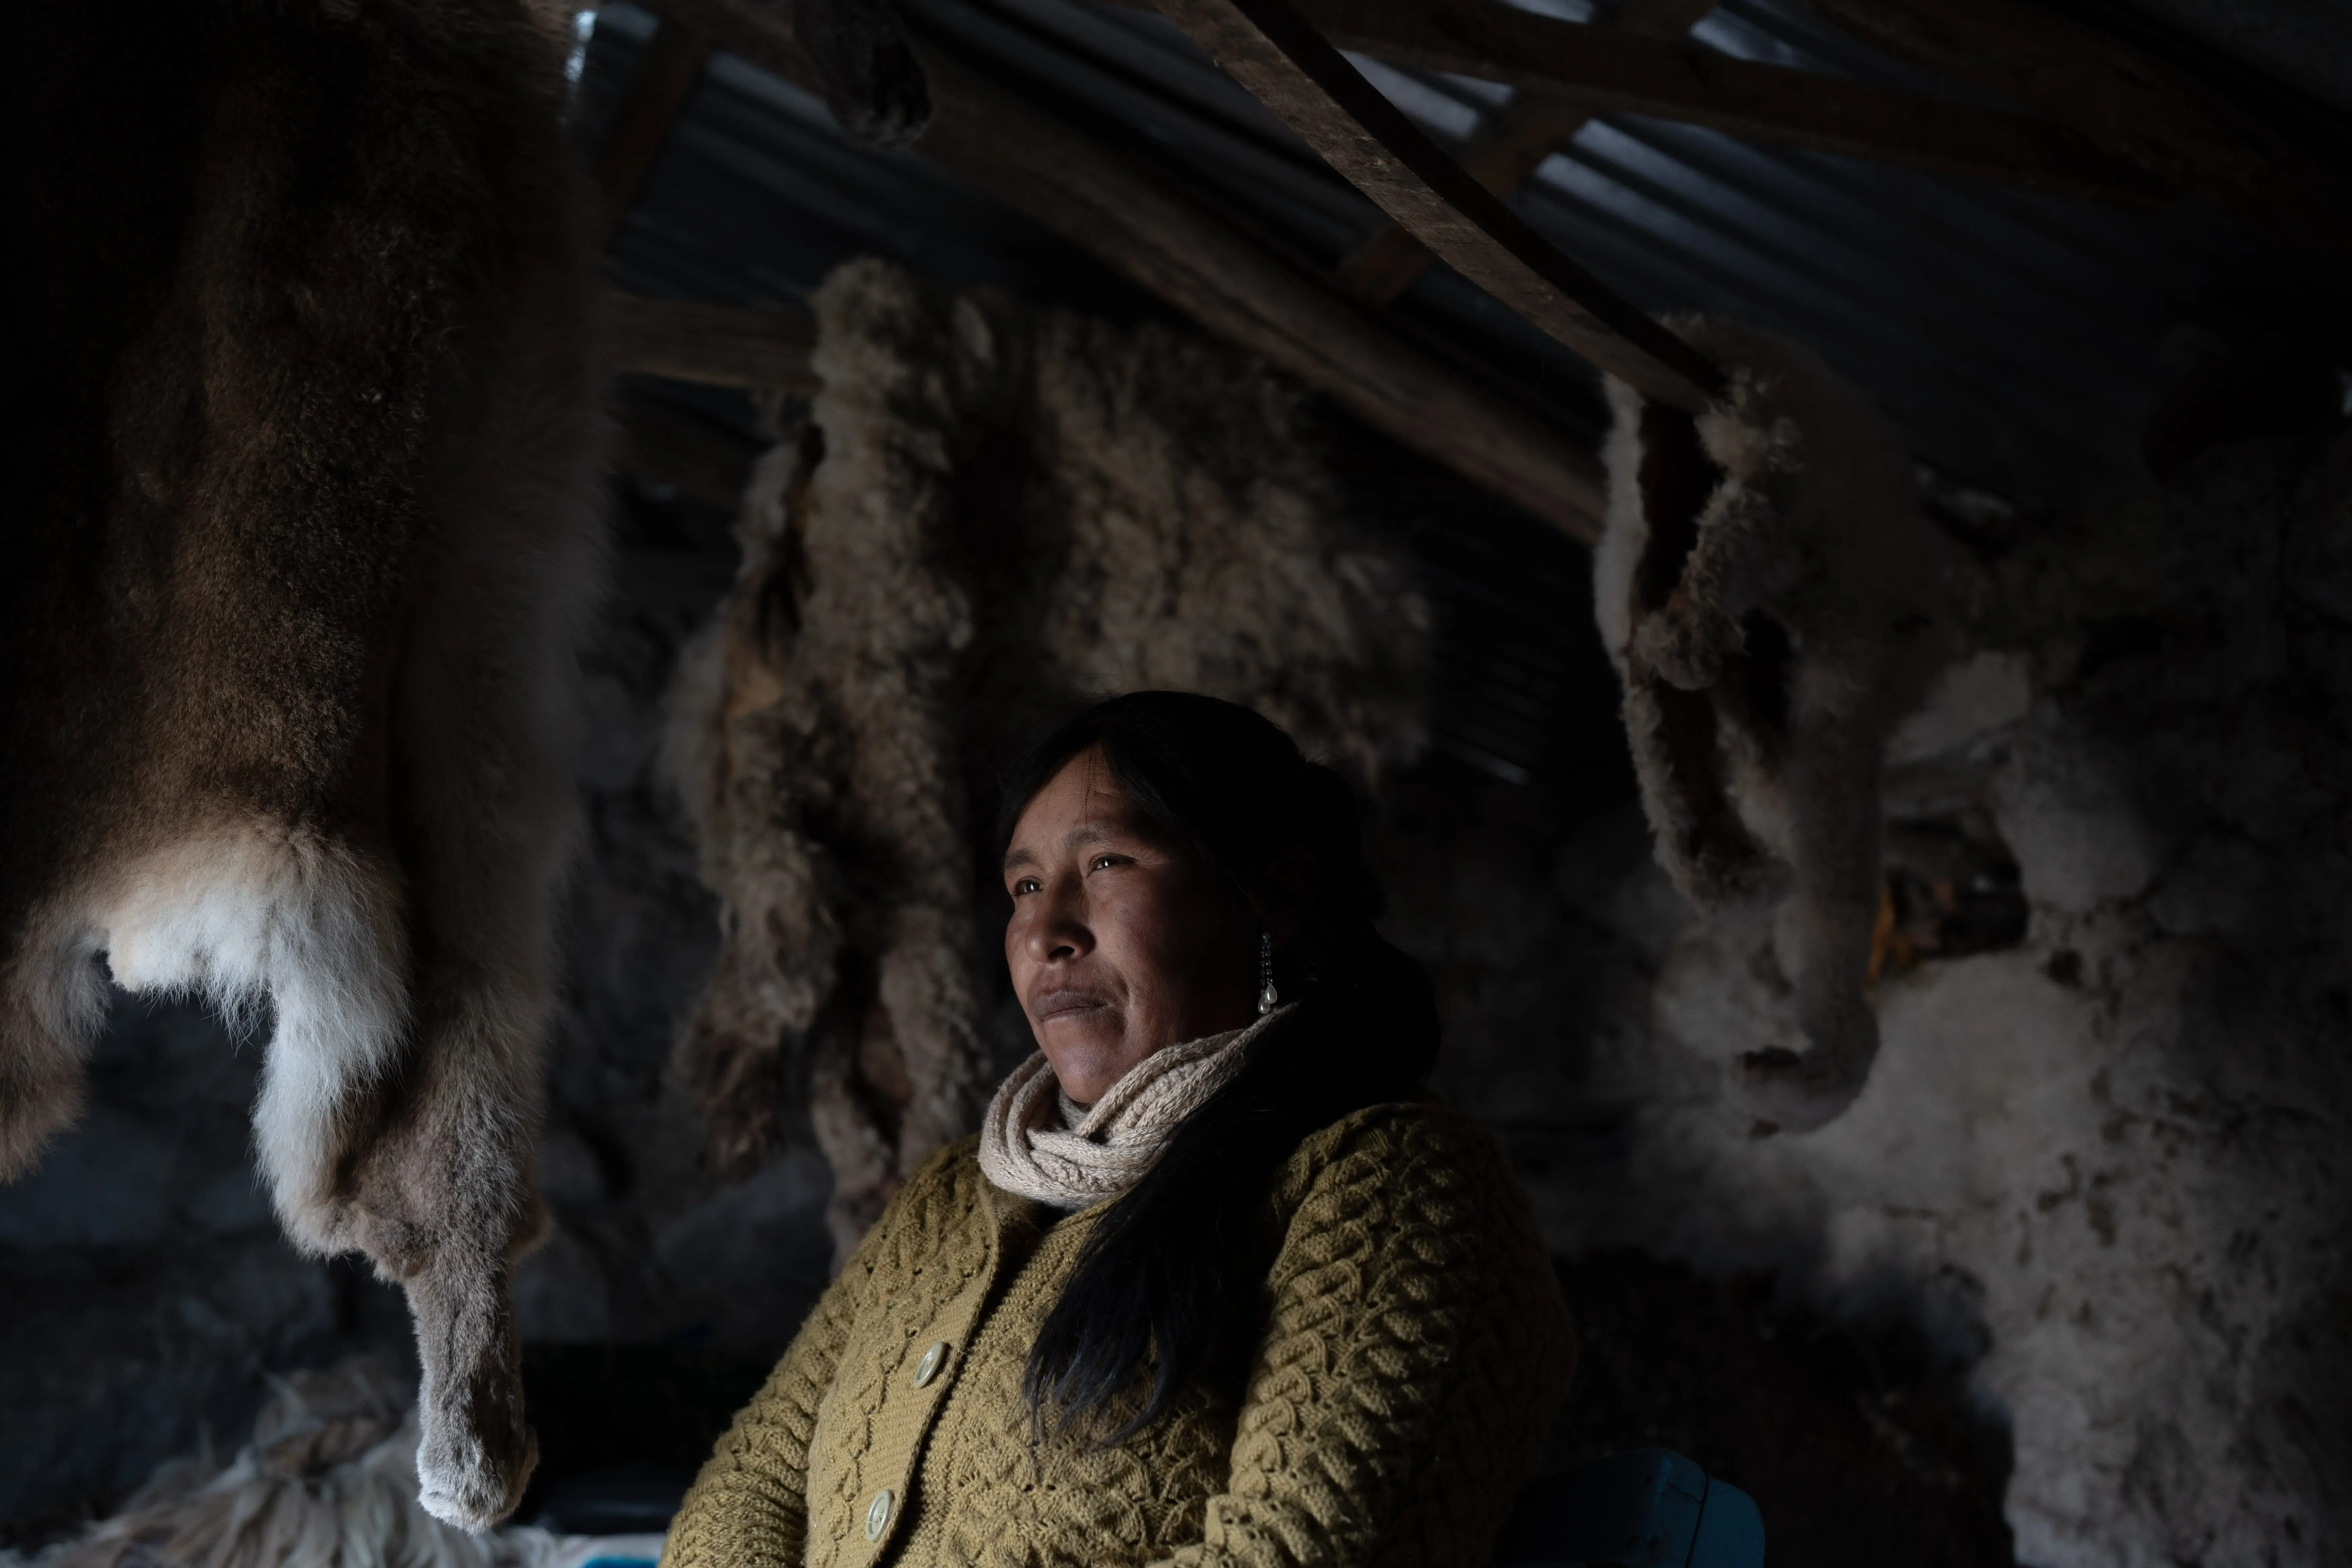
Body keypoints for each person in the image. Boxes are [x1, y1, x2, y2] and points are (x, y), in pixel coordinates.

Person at [661, 692, 1574, 1568]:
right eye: (1024, 884)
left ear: (1278, 899)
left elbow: (1302, 1552)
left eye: (1106, 864)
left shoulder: (1392, 1185)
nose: (1046, 930)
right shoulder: (949, 1200)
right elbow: (749, 1488)